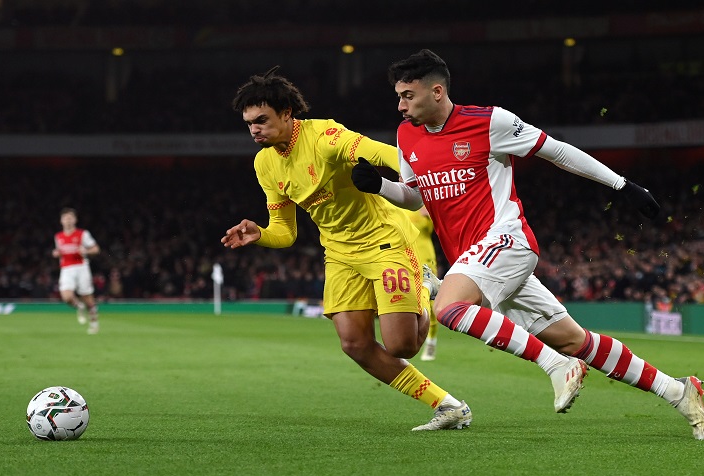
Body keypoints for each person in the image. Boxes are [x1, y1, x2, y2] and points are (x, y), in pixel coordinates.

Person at [351, 49, 704, 440]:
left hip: (506, 239)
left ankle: (556, 366)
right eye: (399, 96)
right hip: (476, 260)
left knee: (449, 308)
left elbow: (556, 151)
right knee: (575, 340)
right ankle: (678, 391)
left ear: (437, 91)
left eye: (408, 95)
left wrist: (621, 185)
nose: (400, 105)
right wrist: (381, 186)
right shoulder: (407, 135)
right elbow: (416, 197)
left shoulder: (489, 122)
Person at [223, 67, 520, 431]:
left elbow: (388, 154)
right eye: (249, 123)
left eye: (261, 120)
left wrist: (420, 182)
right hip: (339, 254)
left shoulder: (325, 137)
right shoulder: (265, 163)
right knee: (354, 343)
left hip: (383, 242)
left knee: (401, 346)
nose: (254, 130)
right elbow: (285, 233)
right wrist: (260, 234)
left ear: (286, 113)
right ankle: (449, 406)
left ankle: (425, 287)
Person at [52, 207, 100, 334]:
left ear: (75, 220)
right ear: (61, 221)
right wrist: (57, 253)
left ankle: (94, 322)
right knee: (66, 297)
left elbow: (96, 249)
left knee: (87, 297)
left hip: (81, 267)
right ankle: (79, 306)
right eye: (65, 218)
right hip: (66, 268)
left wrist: (86, 251)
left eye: (70, 218)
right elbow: (60, 252)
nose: (68, 221)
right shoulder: (58, 237)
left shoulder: (83, 234)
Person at [406, 207, 440, 361]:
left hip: (425, 259)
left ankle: (431, 342)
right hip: (405, 258)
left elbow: (439, 228)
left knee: (429, 302)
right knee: (407, 301)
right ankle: (408, 342)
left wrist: (432, 213)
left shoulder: (426, 206)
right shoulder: (396, 205)